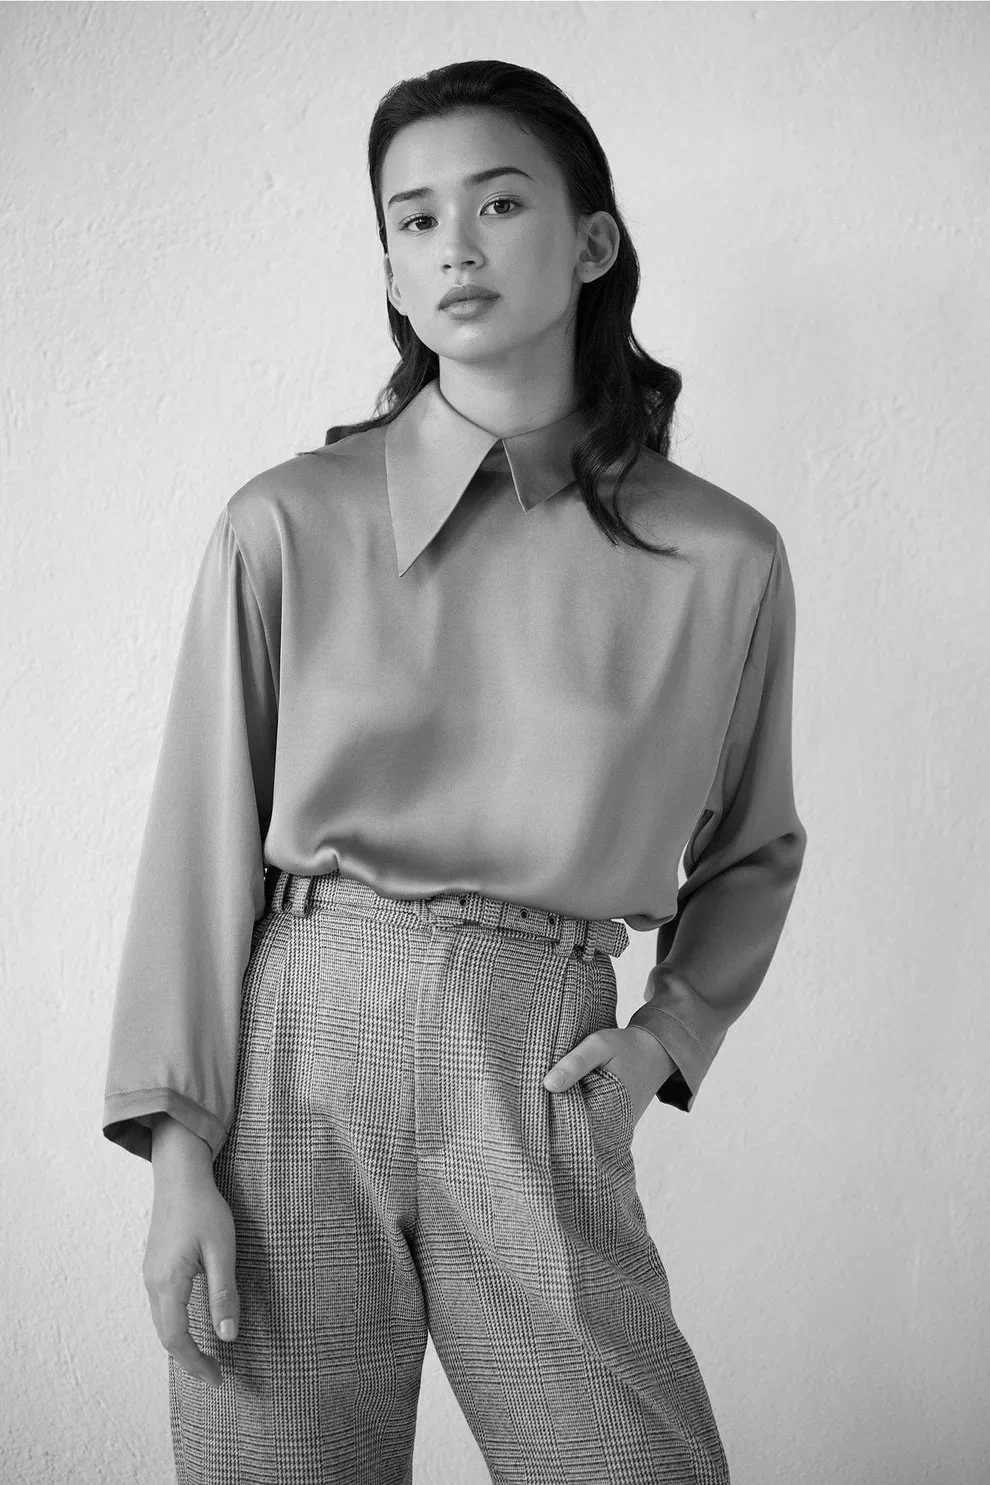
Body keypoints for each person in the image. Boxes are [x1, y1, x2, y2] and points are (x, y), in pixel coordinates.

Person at [103, 58, 807, 1485]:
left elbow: (752, 849)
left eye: (497, 203)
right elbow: (197, 842)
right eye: (413, 221)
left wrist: (664, 1039)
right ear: (388, 265)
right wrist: (181, 1155)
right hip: (296, 1048)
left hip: (536, 1055)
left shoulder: (720, 556)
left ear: (591, 240)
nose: (456, 249)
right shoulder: (284, 524)